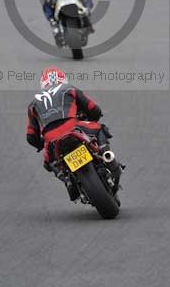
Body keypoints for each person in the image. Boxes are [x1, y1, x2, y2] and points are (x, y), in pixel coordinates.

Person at [26, 67, 115, 201]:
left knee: (48, 162)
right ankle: (107, 156)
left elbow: (31, 137)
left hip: (51, 139)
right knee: (99, 128)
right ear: (63, 80)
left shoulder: (33, 104)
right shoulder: (69, 88)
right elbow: (93, 109)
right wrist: (92, 116)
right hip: (73, 128)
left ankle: (67, 180)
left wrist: (43, 143)